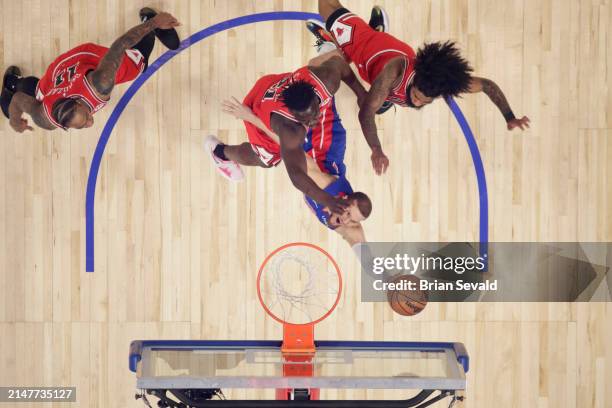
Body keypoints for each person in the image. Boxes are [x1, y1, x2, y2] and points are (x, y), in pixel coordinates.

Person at [307, 1, 531, 175]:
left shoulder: (437, 83)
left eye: (425, 101)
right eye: (416, 96)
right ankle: (329, 41)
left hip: (387, 60)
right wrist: (376, 149)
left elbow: (487, 85)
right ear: (413, 82)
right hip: (364, 46)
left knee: (382, 105)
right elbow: (365, 113)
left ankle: (378, 31)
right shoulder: (394, 72)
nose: (418, 103)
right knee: (328, 9)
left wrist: (509, 116)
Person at [203, 52, 366, 215]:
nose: (315, 118)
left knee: (319, 68)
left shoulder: (325, 79)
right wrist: (326, 199)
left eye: (315, 111)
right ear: (295, 116)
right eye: (308, 118)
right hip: (258, 107)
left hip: (271, 85)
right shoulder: (289, 129)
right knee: (266, 159)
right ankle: (220, 153)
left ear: (312, 92)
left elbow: (340, 65)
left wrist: (361, 95)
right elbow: (296, 173)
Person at [219, 97, 371, 247]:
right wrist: (250, 116)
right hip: (324, 138)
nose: (346, 221)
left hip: (312, 154)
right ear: (343, 198)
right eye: (348, 214)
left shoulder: (347, 227)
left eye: (353, 221)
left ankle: (220, 152)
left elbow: (370, 262)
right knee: (319, 92)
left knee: (267, 156)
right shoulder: (324, 183)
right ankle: (220, 152)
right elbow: (286, 142)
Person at [1, 7, 180, 132]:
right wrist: (15, 121)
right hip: (60, 72)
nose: (90, 123)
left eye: (86, 117)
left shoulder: (100, 83)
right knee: (40, 90)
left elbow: (120, 45)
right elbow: (18, 100)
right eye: (82, 125)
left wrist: (156, 22)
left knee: (135, 66)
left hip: (87, 59)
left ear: (79, 103)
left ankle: (148, 21)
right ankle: (12, 82)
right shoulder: (45, 119)